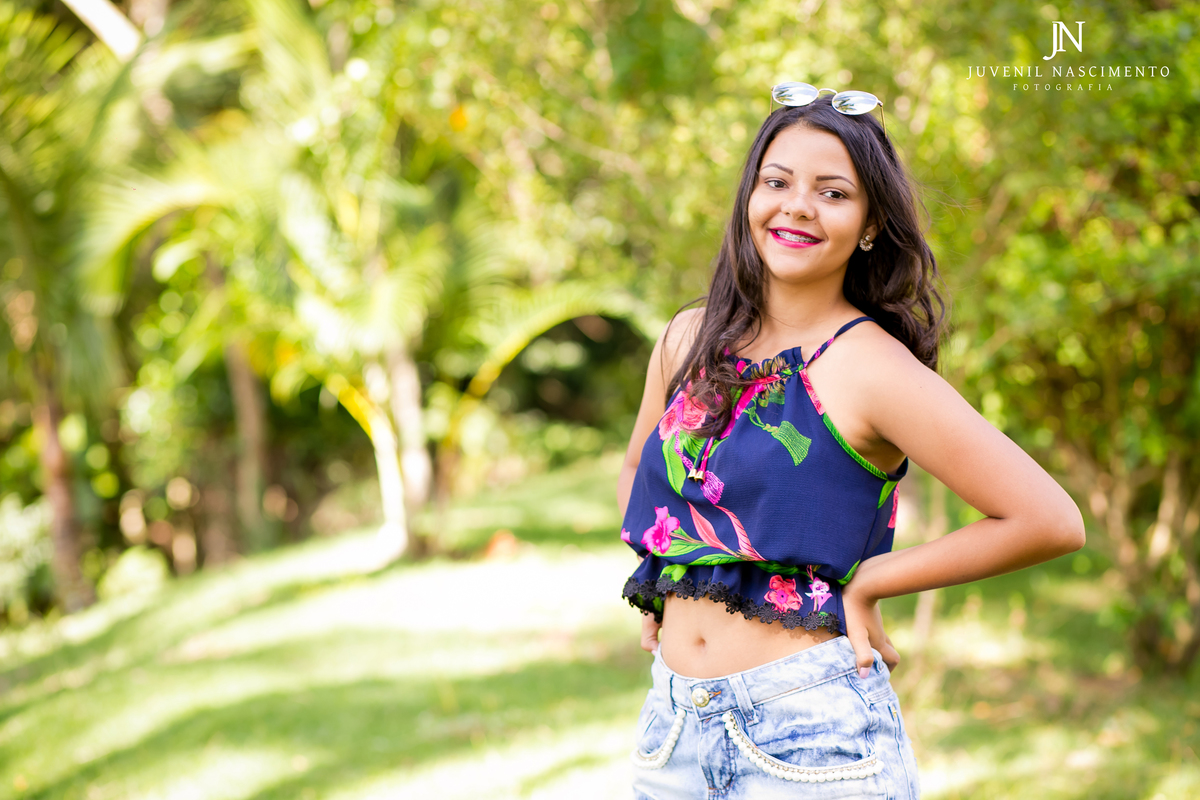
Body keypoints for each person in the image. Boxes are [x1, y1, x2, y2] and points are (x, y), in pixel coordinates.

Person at [616, 85, 1085, 799]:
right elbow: (637, 467)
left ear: (869, 225)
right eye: (777, 182)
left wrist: (873, 580)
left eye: (832, 193)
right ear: (750, 198)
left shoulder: (869, 366)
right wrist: (664, 577)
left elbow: (1048, 519)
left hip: (810, 736)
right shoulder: (689, 337)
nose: (798, 206)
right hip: (671, 732)